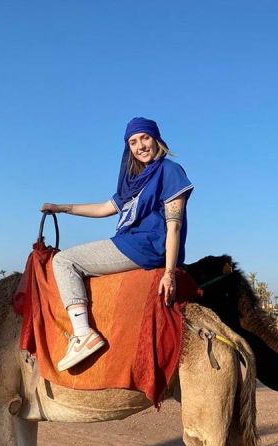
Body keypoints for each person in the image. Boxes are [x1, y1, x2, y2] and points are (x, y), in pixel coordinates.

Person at [41, 117, 193, 372]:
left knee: (64, 260)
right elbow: (104, 208)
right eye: (133, 142)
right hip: (131, 242)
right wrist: (61, 208)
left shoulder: (170, 171)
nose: (140, 146)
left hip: (145, 246)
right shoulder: (135, 180)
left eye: (145, 138)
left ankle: (82, 334)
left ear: (156, 139)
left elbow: (173, 225)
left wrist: (169, 273)